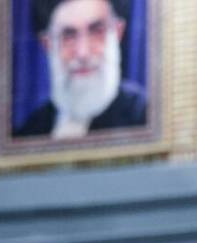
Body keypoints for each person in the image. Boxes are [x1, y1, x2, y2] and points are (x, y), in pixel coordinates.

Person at [15, 0, 148, 139]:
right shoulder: (30, 131)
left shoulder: (144, 115)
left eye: (96, 31)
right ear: (47, 44)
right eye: (68, 36)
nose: (83, 53)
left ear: (118, 32)